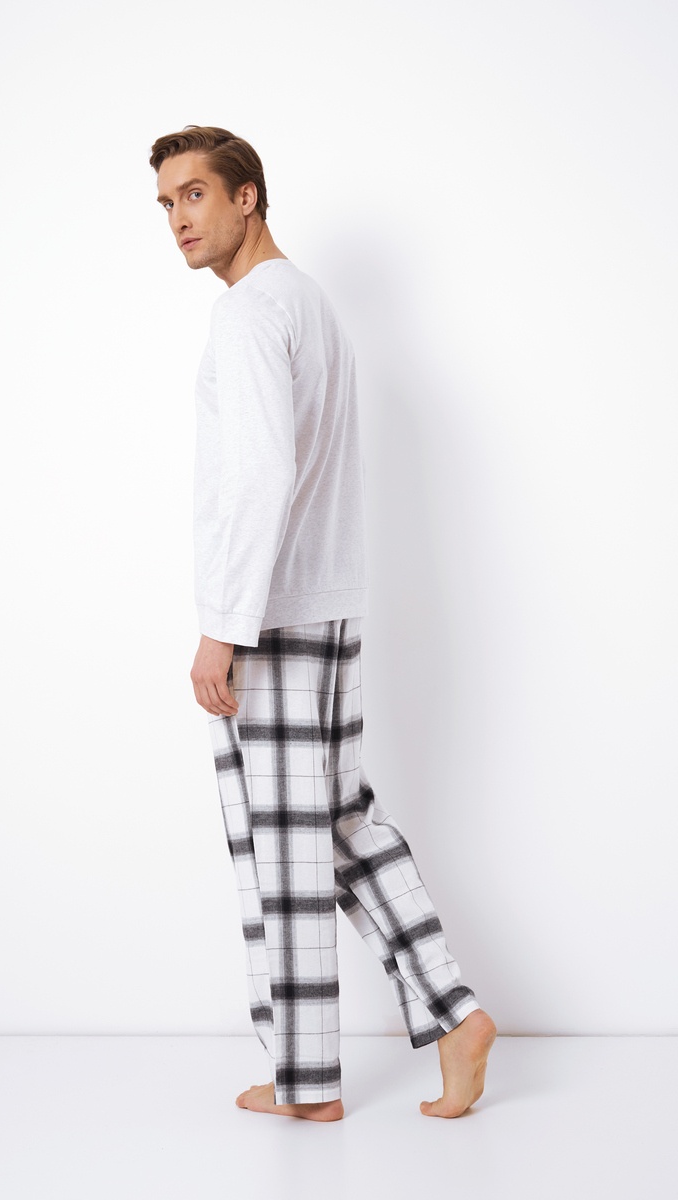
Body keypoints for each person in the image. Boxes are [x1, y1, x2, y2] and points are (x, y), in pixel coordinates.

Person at [149, 125, 497, 1121]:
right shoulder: (306, 301)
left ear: (247, 196)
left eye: (195, 195)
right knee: (338, 824)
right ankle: (454, 1014)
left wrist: (223, 627)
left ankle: (308, 1086)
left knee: (286, 852)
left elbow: (263, 475)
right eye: (165, 203)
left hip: (273, 616)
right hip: (326, 605)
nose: (177, 219)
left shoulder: (251, 312)